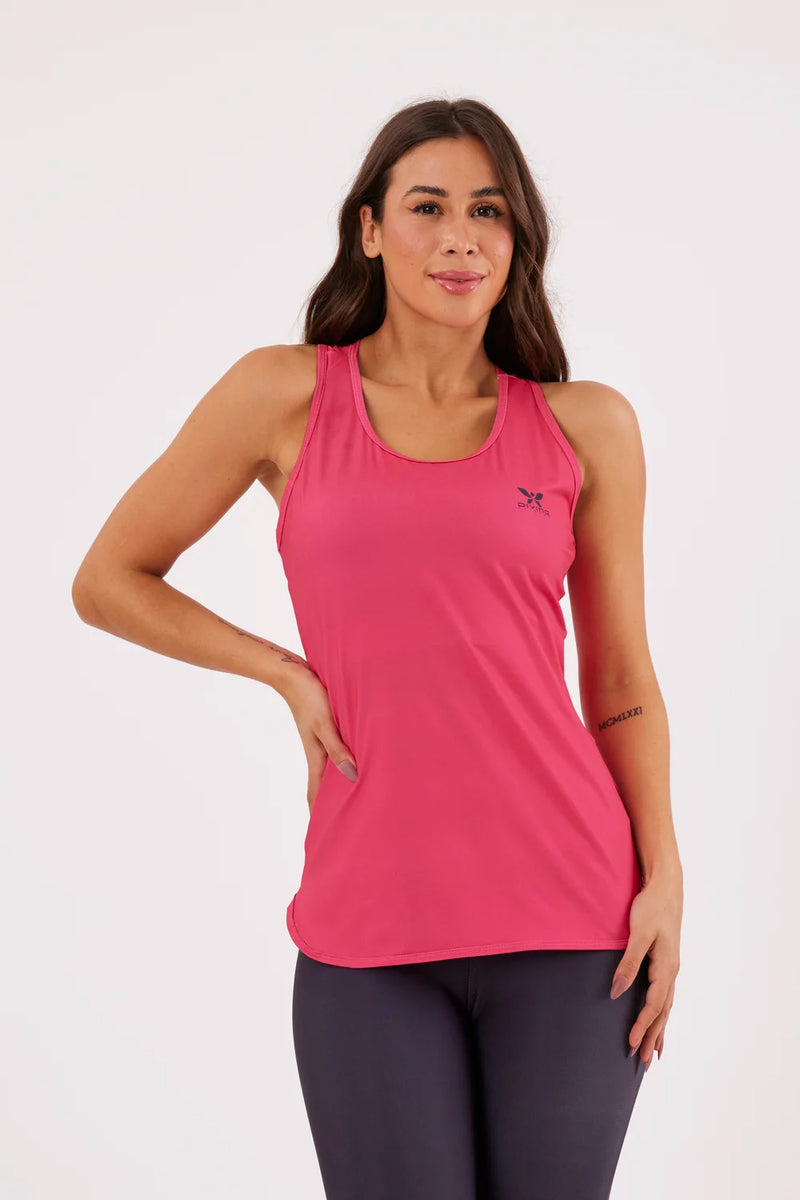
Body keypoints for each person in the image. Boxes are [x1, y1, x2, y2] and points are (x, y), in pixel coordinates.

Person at [72, 96, 683, 1200]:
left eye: (488, 211)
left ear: (516, 240)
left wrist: (666, 877)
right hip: (366, 929)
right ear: (368, 228)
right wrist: (283, 672)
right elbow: (109, 579)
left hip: (573, 919)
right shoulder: (284, 395)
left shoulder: (585, 424)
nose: (460, 238)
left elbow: (621, 681)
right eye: (427, 207)